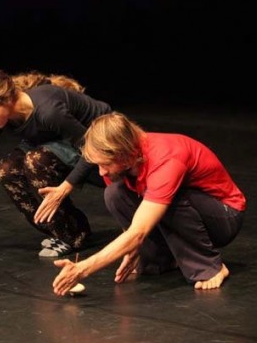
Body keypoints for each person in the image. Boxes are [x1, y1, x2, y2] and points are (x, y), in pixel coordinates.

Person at [52, 111, 246, 294]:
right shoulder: (122, 162)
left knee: (170, 198)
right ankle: (161, 259)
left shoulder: (166, 159)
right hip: (193, 212)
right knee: (114, 193)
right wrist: (135, 249)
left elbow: (139, 232)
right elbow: (134, 224)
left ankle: (209, 267)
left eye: (105, 164)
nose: (101, 172)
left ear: (125, 154)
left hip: (224, 217)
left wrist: (83, 269)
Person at [0, 68, 112, 257]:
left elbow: (91, 148)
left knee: (36, 162)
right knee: (8, 170)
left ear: (6, 100)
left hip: (102, 144)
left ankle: (73, 236)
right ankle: (63, 230)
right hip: (56, 141)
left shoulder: (48, 111)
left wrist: (65, 187)